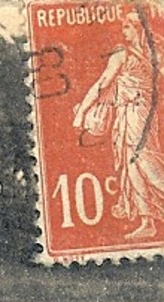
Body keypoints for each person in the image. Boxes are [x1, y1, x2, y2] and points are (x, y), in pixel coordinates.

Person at [72, 10, 164, 241]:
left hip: (140, 115)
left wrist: (82, 112)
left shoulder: (146, 53)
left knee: (149, 164)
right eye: (123, 27)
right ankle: (147, 222)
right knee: (132, 167)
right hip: (128, 114)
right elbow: (105, 85)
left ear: (138, 28)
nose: (124, 32)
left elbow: (103, 84)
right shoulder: (134, 54)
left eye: (128, 27)